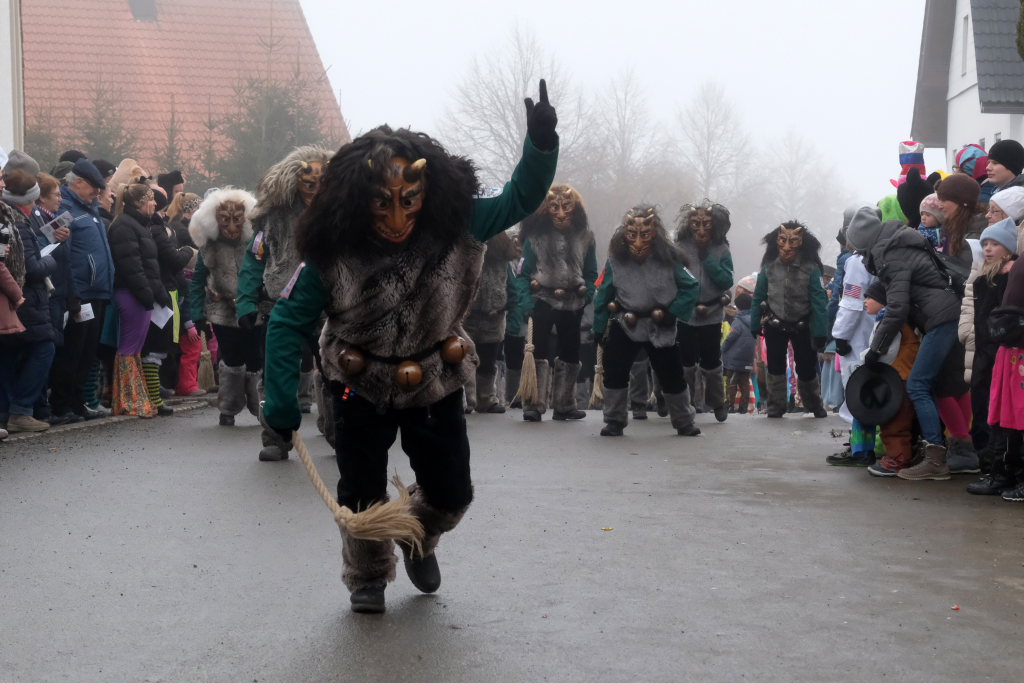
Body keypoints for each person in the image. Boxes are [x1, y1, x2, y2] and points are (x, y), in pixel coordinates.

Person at [261, 80, 558, 614]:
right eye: (382, 204)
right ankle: (367, 577)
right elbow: (285, 322)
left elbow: (520, 196)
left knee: (451, 492)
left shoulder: (460, 221)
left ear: (427, 192)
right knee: (360, 491)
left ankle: (418, 536)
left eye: (409, 202)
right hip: (357, 382)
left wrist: (539, 145)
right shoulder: (330, 247)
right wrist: (280, 403)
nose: (397, 219)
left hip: (436, 378)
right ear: (358, 198)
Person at [845, 207, 961, 480]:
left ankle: (935, 460)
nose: (860, 256)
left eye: (859, 250)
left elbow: (896, 309)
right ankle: (947, 450)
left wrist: (876, 350)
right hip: (944, 315)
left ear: (865, 242)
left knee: (918, 385)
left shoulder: (891, 255)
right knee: (934, 386)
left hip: (941, 319)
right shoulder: (896, 245)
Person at [236, 146, 331, 460]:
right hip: (281, 302)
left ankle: (340, 430)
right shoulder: (275, 216)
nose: (313, 189)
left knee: (336, 371)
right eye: (308, 183)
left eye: (320, 183)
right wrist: (246, 301)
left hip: (329, 306)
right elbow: (255, 257)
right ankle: (275, 436)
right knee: (275, 374)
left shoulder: (340, 212)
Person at [592, 205, 700, 437]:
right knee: (615, 371)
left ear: (655, 234)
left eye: (645, 234)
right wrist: (599, 327)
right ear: (625, 234)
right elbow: (603, 294)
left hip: (659, 325)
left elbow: (691, 286)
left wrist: (672, 312)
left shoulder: (670, 259)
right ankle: (614, 420)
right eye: (633, 234)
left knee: (671, 374)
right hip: (625, 322)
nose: (639, 241)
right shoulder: (615, 261)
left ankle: (684, 420)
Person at [517, 183, 597, 422]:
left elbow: (591, 272)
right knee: (538, 350)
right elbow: (523, 273)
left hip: (573, 301)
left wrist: (587, 294)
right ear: (546, 209)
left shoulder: (586, 237)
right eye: (554, 207)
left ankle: (565, 403)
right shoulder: (535, 237)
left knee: (571, 351)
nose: (561, 213)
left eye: (566, 207)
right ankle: (534, 404)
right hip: (541, 299)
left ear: (575, 208)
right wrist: (526, 302)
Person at [188, 187, 260, 427]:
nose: (231, 226)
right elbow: (198, 280)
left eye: (237, 219)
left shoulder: (255, 242)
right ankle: (228, 407)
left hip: (254, 309)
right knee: (231, 358)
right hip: (222, 312)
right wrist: (196, 313)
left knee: (256, 358)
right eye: (224, 219)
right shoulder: (210, 245)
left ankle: (260, 405)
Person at [50, 159, 113, 422]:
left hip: (96, 292)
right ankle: (62, 404)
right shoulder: (65, 210)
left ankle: (78, 402)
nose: (97, 193)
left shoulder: (91, 210)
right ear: (77, 182)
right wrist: (72, 292)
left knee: (87, 353)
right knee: (72, 352)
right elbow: (56, 249)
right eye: (93, 188)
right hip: (80, 293)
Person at [750, 221, 829, 418]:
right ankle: (776, 405)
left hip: (803, 323)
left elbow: (819, 300)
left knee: (806, 366)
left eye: (792, 241)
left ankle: (813, 403)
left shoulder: (811, 268)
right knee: (775, 365)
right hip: (774, 322)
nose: (786, 247)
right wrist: (755, 321)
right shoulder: (769, 267)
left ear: (801, 243)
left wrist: (820, 331)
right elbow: (759, 295)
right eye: (782, 240)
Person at [961, 218, 1017, 482]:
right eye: (985, 244)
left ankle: (996, 467)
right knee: (981, 408)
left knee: (995, 411)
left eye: (995, 244)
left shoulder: (1007, 278)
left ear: (1008, 249)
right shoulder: (983, 280)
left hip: (999, 353)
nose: (988, 249)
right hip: (983, 353)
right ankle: (987, 464)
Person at [0, 169, 57, 432]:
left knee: (10, 354)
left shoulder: (13, 219)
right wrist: (50, 260)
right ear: (28, 198)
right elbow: (29, 267)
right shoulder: (18, 224)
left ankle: (8, 411)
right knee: (44, 348)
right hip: (25, 299)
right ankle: (21, 410)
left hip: (20, 298)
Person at [107, 182, 164, 417]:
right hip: (132, 294)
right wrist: (147, 294)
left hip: (139, 293)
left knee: (135, 349)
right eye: (151, 199)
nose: (155, 204)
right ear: (139, 203)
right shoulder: (125, 226)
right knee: (129, 349)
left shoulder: (136, 224)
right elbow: (132, 266)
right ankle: (129, 400)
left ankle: (133, 398)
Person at [674, 200, 734, 422]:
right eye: (696, 224)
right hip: (685, 314)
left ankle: (717, 402)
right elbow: (671, 276)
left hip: (712, 313)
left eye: (706, 224)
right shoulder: (680, 247)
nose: (700, 229)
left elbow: (726, 280)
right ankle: (686, 402)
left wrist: (708, 260)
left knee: (712, 361)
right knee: (686, 361)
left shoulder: (721, 249)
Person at [463, 231, 523, 414]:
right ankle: (467, 399)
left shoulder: (503, 262)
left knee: (488, 360)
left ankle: (486, 399)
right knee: (464, 358)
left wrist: (514, 319)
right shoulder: (466, 256)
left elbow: (513, 289)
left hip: (494, 317)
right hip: (467, 317)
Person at [721, 292, 755, 414]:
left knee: (731, 382)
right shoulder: (754, 321)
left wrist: (723, 348)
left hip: (734, 359)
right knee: (744, 383)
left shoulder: (738, 321)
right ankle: (743, 407)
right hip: (748, 358)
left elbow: (731, 338)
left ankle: (730, 405)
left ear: (738, 307)